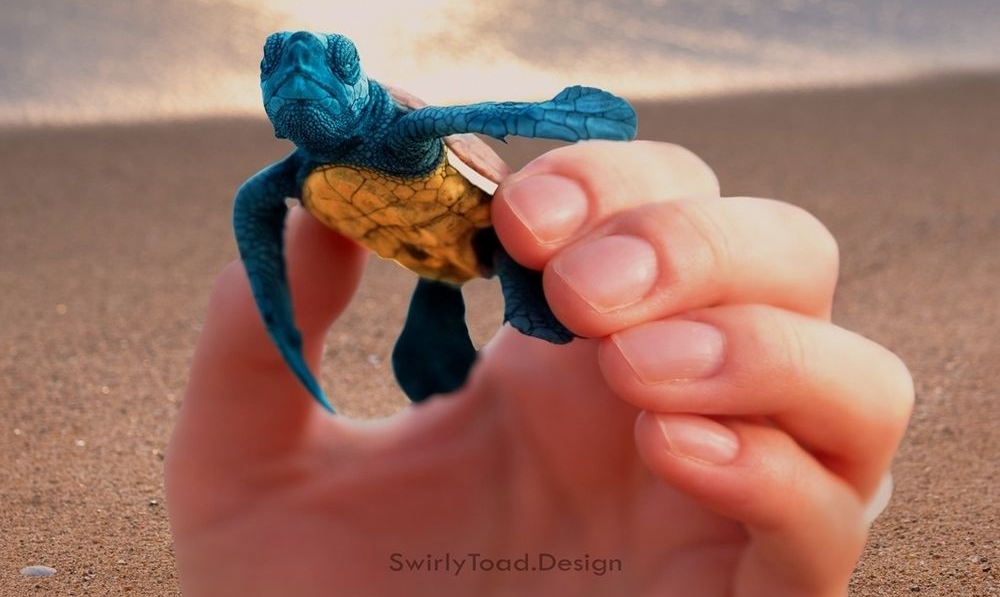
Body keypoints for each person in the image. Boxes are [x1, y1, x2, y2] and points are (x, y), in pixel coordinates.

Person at [165, 140, 913, 596]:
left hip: (476, 233)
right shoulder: (291, 178)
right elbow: (259, 207)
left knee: (557, 282)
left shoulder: (390, 133)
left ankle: (550, 309)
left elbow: (446, 130)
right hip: (413, 237)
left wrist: (555, 116)